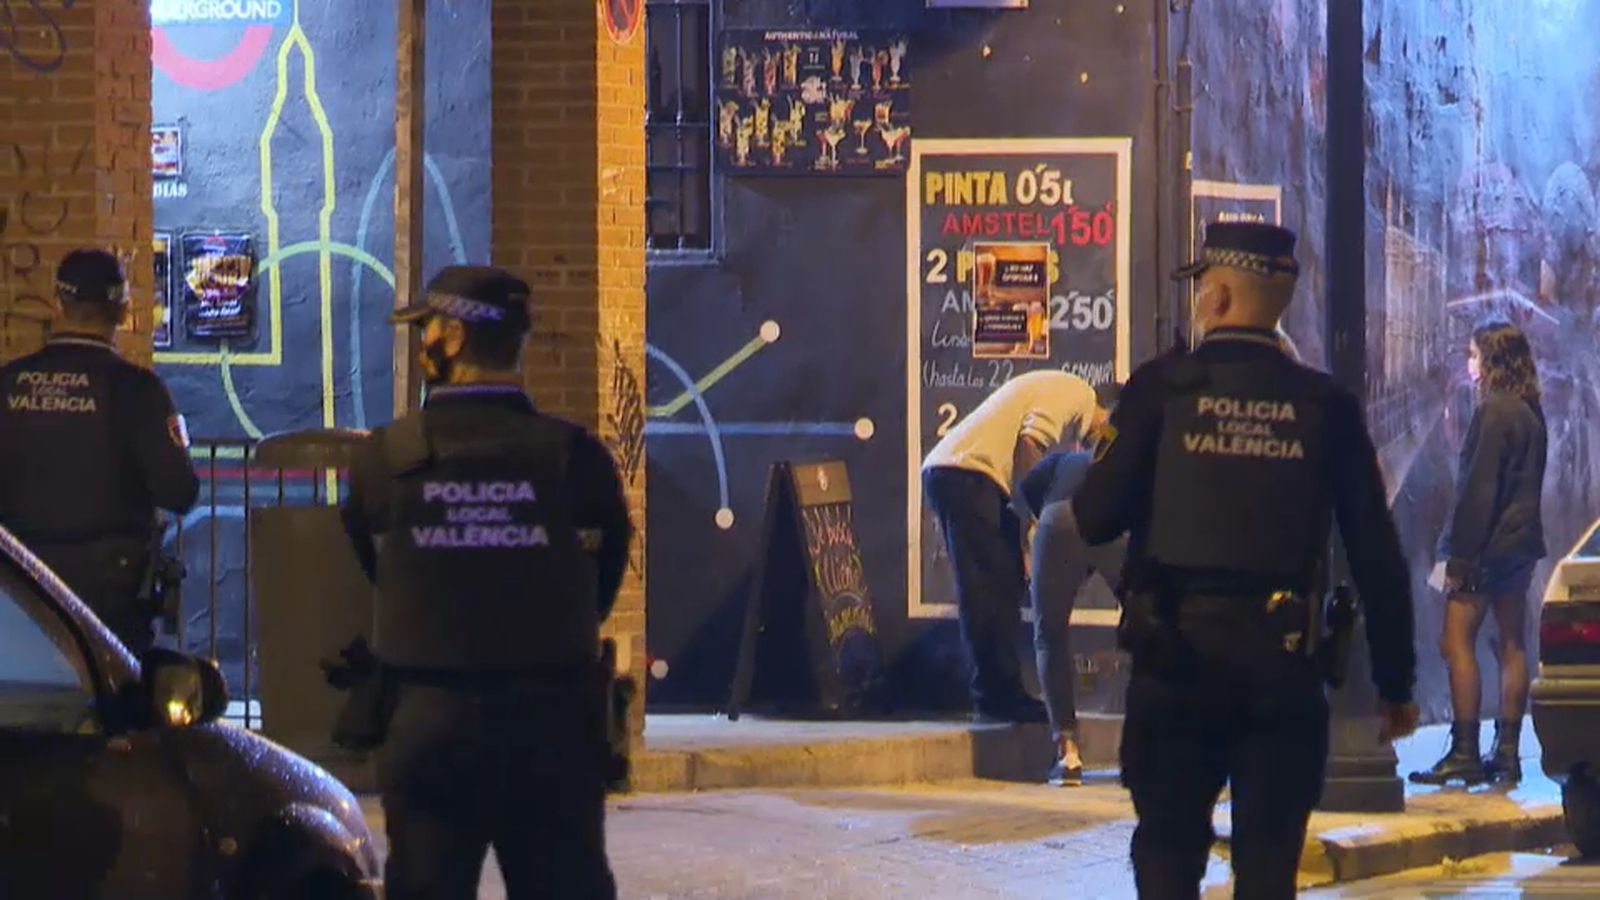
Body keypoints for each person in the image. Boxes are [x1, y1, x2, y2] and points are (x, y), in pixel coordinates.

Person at [1073, 222, 1419, 898]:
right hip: (1283, 666)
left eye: (1202, 284)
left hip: (1175, 661)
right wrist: (1395, 682)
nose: (1200, 296)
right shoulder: (1325, 407)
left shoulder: (1161, 390)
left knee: (1168, 853)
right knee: (1268, 865)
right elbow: (1376, 551)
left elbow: (1095, 515)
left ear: (1219, 297)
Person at [341, 265, 633, 899]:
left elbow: (375, 566)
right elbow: (603, 575)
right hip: (551, 723)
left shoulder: (385, 460)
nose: (422, 343)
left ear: (452, 336)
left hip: (429, 721)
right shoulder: (574, 457)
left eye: (427, 329)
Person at [0, 249, 199, 654]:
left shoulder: (8, 382)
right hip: (111, 595)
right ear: (123, 310)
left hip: (18, 586)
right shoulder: (138, 390)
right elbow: (179, 491)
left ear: (58, 303)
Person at [922, 369, 1111, 722]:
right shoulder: (1079, 393)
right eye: (1108, 437)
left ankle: (1001, 691)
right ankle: (995, 697)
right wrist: (1034, 524)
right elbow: (1029, 445)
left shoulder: (1068, 415)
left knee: (1003, 586)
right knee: (987, 590)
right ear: (1108, 414)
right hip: (966, 473)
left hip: (973, 477)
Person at [1411, 319, 1547, 787]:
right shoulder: (1531, 412)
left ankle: (1464, 750)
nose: (1469, 365)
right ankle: (1507, 753)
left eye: (1474, 355)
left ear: (1491, 361)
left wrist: (1459, 558)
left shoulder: (1492, 412)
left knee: (1455, 642)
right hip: (1520, 546)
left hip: (1483, 548)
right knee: (1512, 644)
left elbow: (1477, 492)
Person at [1018, 447, 1128, 785]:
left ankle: (1068, 754)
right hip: (1114, 523)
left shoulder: (1063, 459)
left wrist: (1036, 544)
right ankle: (1147, 749)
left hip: (1058, 518)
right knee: (1149, 624)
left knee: (1049, 636)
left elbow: (1025, 490)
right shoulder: (1121, 462)